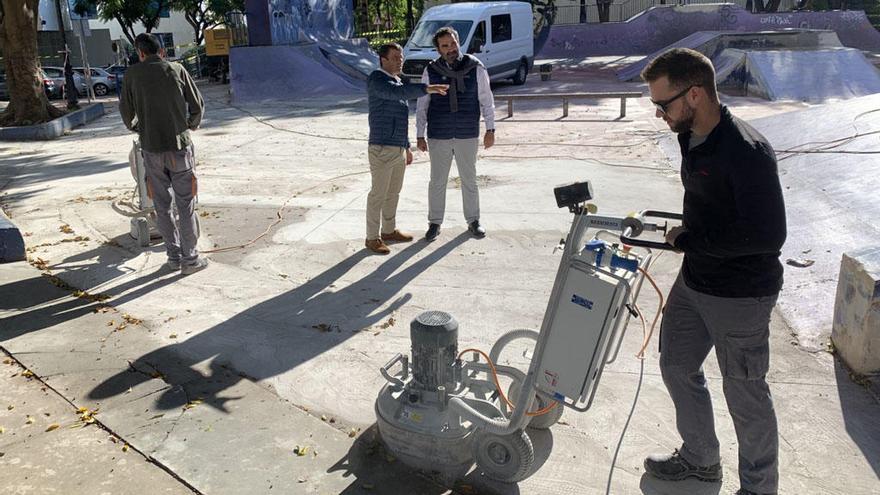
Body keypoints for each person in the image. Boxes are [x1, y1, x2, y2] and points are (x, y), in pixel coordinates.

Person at [640, 48, 786, 495]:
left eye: (662, 104)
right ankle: (701, 460)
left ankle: (759, 488)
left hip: (742, 296)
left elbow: (767, 236)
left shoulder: (747, 151)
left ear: (696, 94)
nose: (659, 114)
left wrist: (690, 240)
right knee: (676, 365)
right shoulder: (691, 134)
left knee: (745, 393)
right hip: (695, 281)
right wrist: (691, 236)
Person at [120, 33, 208, 275]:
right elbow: (198, 105)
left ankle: (173, 258)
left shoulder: (131, 75)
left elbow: (126, 113)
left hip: (151, 149)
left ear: (140, 53)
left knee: (162, 206)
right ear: (162, 51)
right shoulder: (177, 69)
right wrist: (190, 123)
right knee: (186, 204)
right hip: (179, 148)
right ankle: (190, 261)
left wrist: (140, 128)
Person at [365, 43, 448, 255]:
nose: (400, 60)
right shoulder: (377, 79)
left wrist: (406, 147)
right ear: (383, 60)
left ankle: (389, 230)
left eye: (401, 57)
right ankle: (372, 238)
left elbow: (400, 118)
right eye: (395, 57)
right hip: (381, 148)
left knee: (393, 193)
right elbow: (395, 94)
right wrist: (425, 89)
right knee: (378, 195)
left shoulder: (397, 80)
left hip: (397, 148)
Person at [416, 26, 496, 241]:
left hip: (467, 133)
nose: (450, 48)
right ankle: (434, 223)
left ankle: (473, 220)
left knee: (469, 180)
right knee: (437, 181)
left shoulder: (475, 67)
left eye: (453, 43)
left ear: (458, 42)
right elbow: (422, 104)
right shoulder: (430, 70)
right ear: (438, 49)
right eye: (445, 46)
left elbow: (486, 100)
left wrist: (490, 129)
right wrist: (419, 134)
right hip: (438, 134)